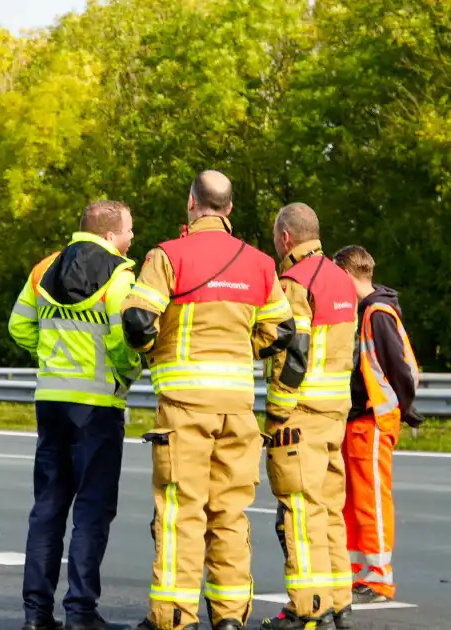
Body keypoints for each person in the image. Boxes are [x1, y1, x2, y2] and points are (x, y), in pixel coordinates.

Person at [120, 170, 296, 630]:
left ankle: (175, 617)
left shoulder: (167, 256)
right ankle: (231, 618)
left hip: (183, 408)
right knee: (230, 515)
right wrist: (242, 348)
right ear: (230, 209)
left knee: (181, 512)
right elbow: (282, 330)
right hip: (238, 409)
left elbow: (138, 322)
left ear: (191, 203)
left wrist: (153, 352)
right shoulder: (259, 263)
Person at [8, 200, 143, 630]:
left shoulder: (42, 269)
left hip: (50, 401)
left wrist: (52, 358)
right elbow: (125, 342)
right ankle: (81, 612)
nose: (131, 238)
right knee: (91, 510)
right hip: (98, 407)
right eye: (128, 231)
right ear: (109, 235)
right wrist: (125, 374)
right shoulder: (120, 276)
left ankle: (36, 615)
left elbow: (18, 327)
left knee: (47, 508)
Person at [260, 203, 359, 630]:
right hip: (336, 414)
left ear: (286, 238)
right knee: (329, 511)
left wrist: (277, 409)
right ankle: (340, 603)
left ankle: (307, 608)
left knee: (299, 514)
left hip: (301, 415)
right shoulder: (343, 280)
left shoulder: (295, 283)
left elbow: (294, 353)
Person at [331, 245, 421, 606]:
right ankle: (359, 573)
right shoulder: (363, 311)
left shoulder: (377, 313)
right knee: (352, 501)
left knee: (371, 500)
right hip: (356, 419)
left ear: (346, 274)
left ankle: (379, 578)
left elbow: (401, 367)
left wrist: (405, 406)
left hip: (372, 418)